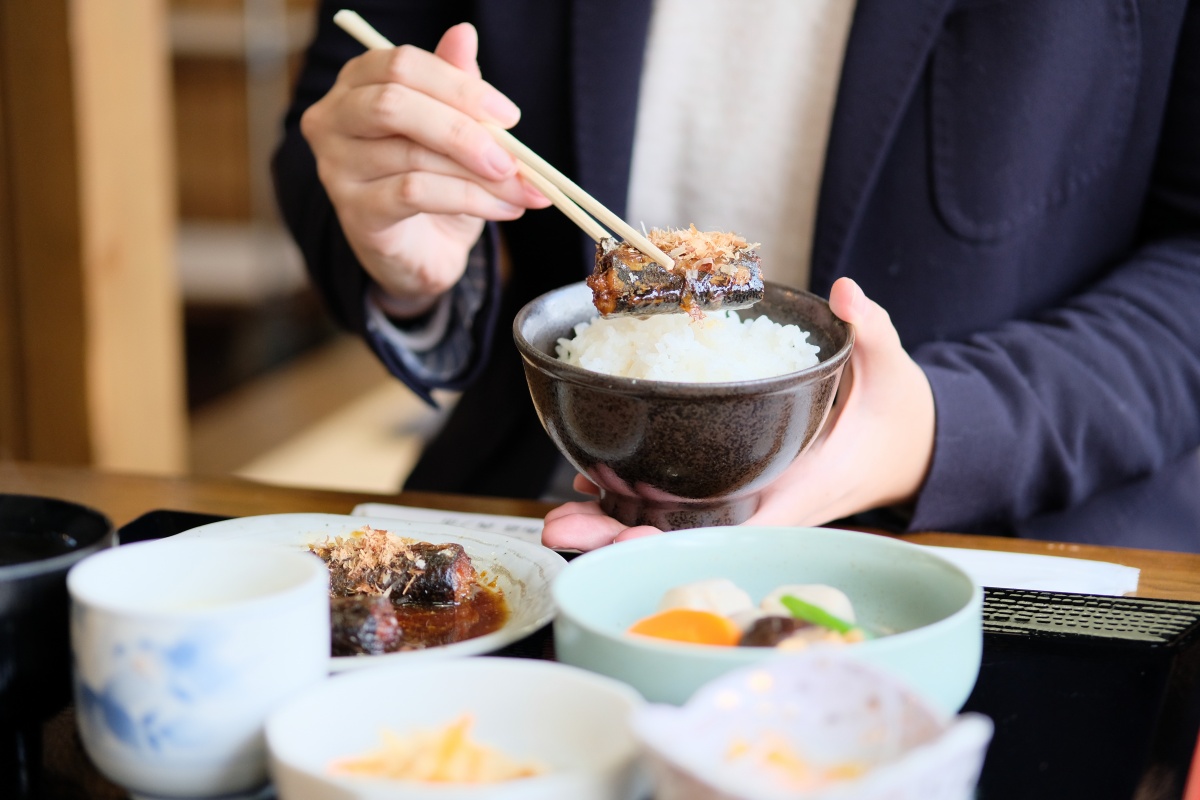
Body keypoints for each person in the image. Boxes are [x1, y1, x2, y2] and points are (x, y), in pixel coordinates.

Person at [273, 1, 1200, 554]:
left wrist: (936, 430)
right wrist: (406, 253)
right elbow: (343, 94)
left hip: (1010, 536)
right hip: (561, 498)